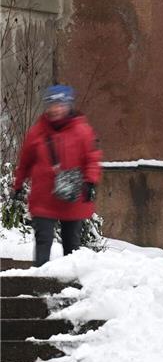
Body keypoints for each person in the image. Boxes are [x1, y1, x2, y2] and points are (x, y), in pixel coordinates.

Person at [13, 85, 102, 267]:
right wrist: (18, 185)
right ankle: (37, 285)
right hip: (43, 197)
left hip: (72, 197)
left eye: (60, 104)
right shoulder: (37, 132)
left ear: (68, 105)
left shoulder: (82, 131)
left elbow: (92, 158)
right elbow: (25, 162)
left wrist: (90, 182)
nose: (55, 109)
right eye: (51, 104)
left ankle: (70, 287)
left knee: (72, 245)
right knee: (43, 241)